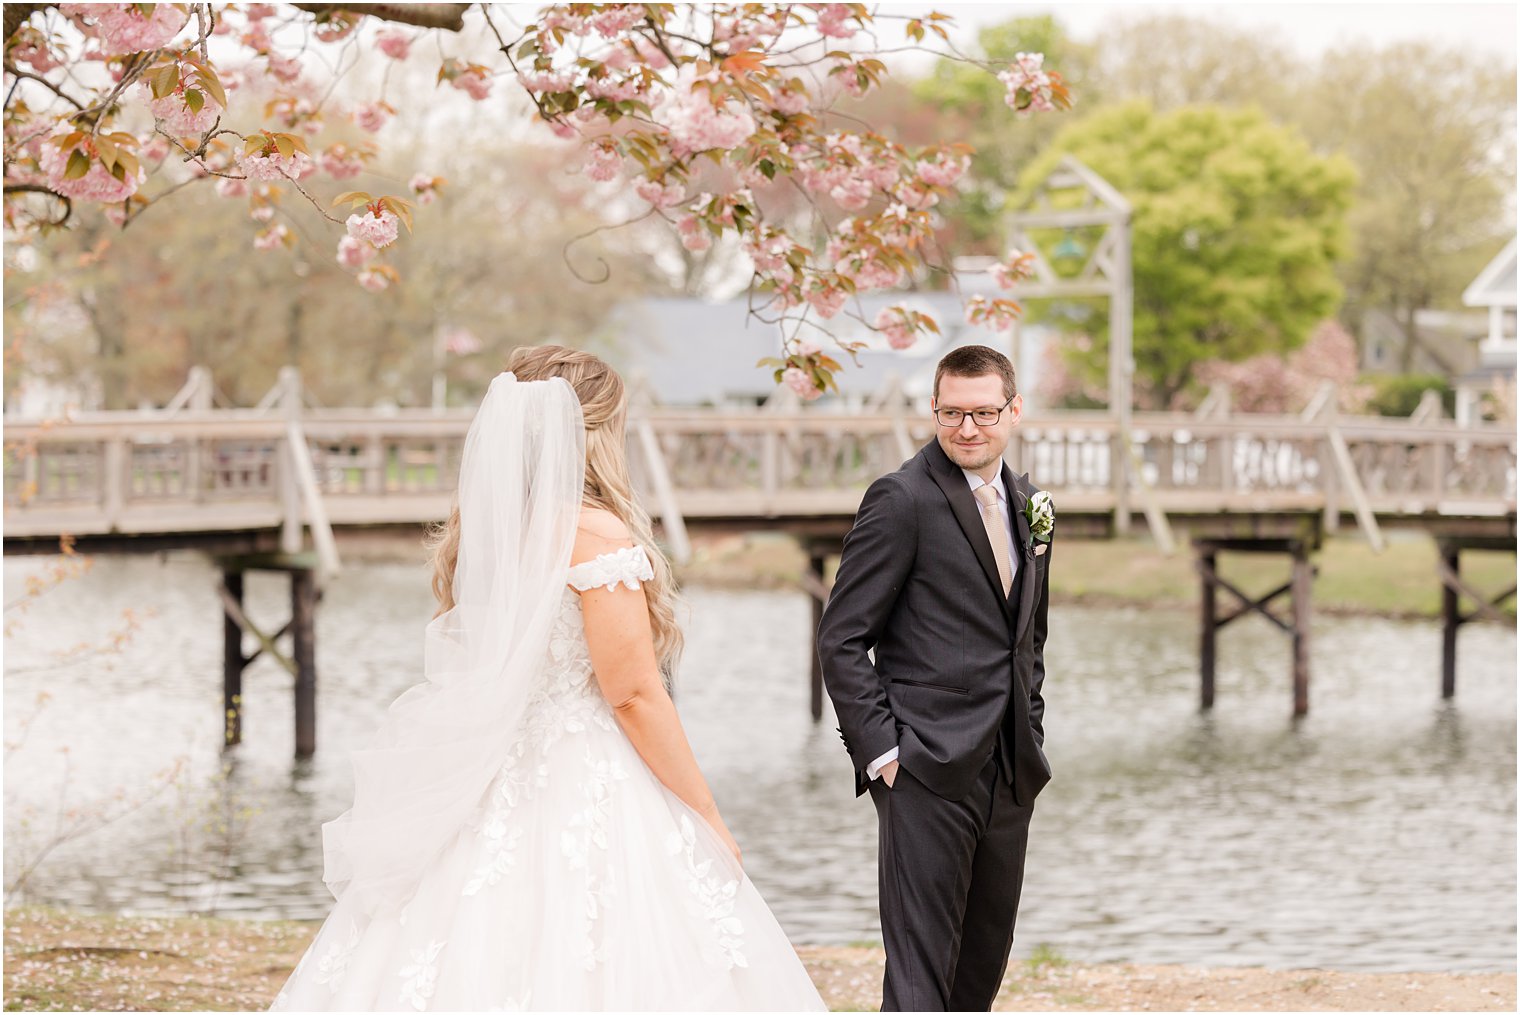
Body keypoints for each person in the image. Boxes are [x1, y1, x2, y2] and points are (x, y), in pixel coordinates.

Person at [271, 346, 824, 1012]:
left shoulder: (499, 529)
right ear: (593, 434)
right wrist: (707, 815)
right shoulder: (596, 534)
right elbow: (633, 693)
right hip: (585, 765)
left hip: (500, 763)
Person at [817, 344, 1054, 1012]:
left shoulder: (1031, 504)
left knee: (978, 973)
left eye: (983, 412)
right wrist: (887, 756)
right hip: (924, 771)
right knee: (920, 980)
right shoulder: (901, 499)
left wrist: (1028, 732)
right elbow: (841, 636)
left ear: (1014, 410)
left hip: (1009, 772)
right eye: (952, 412)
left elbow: (1028, 641)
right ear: (934, 410)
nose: (967, 428)